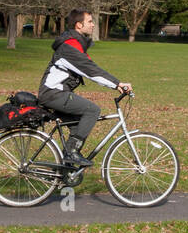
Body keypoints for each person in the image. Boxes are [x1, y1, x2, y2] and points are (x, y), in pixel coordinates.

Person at [38, 9, 133, 168]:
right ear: (79, 25)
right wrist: (117, 84)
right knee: (92, 110)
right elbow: (90, 70)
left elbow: (92, 67)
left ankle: (64, 170)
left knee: (77, 127)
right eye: (90, 21)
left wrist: (115, 83)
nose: (93, 24)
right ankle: (71, 154)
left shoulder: (76, 44)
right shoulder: (69, 46)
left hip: (56, 93)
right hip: (53, 94)